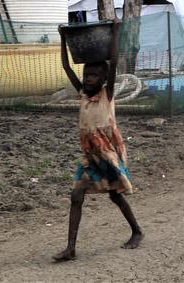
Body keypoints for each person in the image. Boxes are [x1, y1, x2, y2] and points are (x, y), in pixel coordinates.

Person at [54, 43, 142, 261]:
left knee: (115, 195)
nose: (88, 78)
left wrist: (114, 32)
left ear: (103, 80)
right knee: (76, 195)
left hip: (107, 153)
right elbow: (66, 66)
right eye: (86, 74)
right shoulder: (83, 95)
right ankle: (70, 248)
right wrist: (64, 39)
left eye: (94, 75)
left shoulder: (107, 94)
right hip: (90, 155)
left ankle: (137, 231)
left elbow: (112, 65)